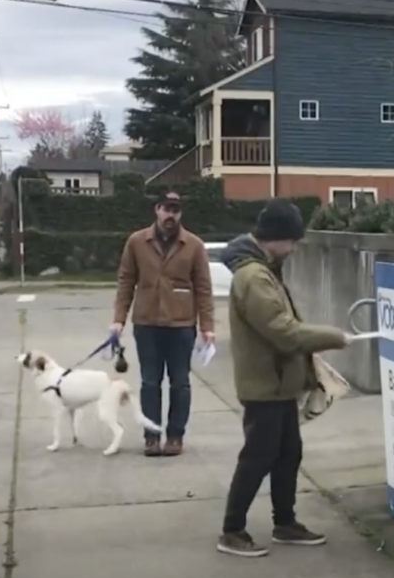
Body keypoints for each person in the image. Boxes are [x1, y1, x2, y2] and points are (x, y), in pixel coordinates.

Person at [217, 198, 351, 557]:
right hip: (265, 387)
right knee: (257, 458)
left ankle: (285, 523)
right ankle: (232, 530)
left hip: (277, 385)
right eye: (292, 240)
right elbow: (283, 332)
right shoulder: (255, 277)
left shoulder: (262, 269)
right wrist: (333, 338)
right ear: (274, 238)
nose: (294, 248)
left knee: (288, 454)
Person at [111, 191, 214, 458]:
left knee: (180, 383)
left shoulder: (193, 245)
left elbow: (204, 288)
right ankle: (152, 436)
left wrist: (208, 326)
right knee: (149, 383)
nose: (171, 215)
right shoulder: (136, 242)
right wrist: (118, 320)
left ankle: (176, 436)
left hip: (181, 326)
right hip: (147, 324)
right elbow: (125, 282)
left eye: (176, 210)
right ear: (156, 210)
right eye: (166, 209)